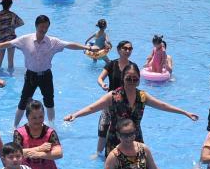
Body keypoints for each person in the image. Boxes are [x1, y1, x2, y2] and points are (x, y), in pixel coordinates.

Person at [0, 14, 89, 127]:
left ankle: (52, 127)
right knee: (23, 102)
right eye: (42, 26)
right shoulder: (25, 39)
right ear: (36, 26)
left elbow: (69, 45)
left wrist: (87, 47)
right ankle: (15, 127)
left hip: (46, 76)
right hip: (30, 76)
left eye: (46, 27)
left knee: (49, 103)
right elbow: (8, 43)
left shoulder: (53, 41)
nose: (44, 29)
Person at [64, 63, 198, 153]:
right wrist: (75, 115)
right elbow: (92, 108)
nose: (132, 82)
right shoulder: (113, 96)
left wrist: (184, 112)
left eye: (135, 79)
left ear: (139, 80)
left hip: (136, 140)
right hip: (116, 141)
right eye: (129, 79)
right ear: (123, 78)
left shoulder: (143, 96)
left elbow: (163, 105)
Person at [93, 40, 135, 155]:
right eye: (125, 48)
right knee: (103, 128)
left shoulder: (132, 67)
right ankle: (98, 153)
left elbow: (135, 83)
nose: (128, 51)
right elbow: (100, 78)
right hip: (110, 101)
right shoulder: (112, 64)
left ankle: (122, 153)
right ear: (118, 50)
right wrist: (102, 84)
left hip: (125, 103)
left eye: (130, 49)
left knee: (125, 131)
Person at [0, 0, 25, 73]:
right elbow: (21, 22)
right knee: (10, 59)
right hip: (10, 39)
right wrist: (13, 27)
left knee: (0, 57)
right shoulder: (12, 15)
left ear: (2, 4)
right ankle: (10, 75)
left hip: (0, 39)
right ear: (10, 5)